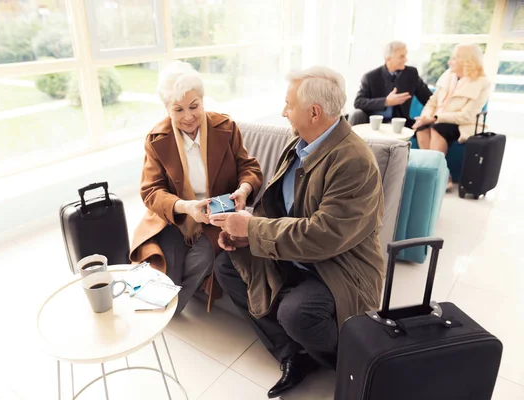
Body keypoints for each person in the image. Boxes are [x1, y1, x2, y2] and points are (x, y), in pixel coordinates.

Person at [210, 66, 385, 398]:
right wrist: (244, 233)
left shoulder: (354, 162)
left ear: (314, 112)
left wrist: (253, 228)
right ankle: (291, 353)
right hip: (296, 253)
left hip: (338, 267)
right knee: (225, 266)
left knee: (297, 312)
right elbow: (278, 207)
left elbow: (323, 237)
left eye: (289, 105)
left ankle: (347, 362)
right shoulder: (300, 142)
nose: (283, 111)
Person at [130, 61, 263, 314]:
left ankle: (166, 313)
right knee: (167, 270)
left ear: (203, 101)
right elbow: (151, 192)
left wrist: (244, 189)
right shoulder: (156, 139)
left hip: (216, 217)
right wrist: (186, 207)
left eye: (194, 106)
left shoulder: (226, 128)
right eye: (178, 110)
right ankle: (158, 308)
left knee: (199, 260)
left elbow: (250, 168)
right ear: (166, 109)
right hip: (174, 217)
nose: (188, 116)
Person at [413, 44, 491, 190]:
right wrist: (426, 117)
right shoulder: (448, 75)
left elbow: (466, 116)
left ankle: (436, 175)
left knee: (438, 128)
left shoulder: (482, 82)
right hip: (437, 119)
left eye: (454, 58)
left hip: (462, 124)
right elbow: (432, 102)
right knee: (421, 127)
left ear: (466, 61)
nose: (449, 62)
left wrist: (435, 118)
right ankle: (437, 173)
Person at [349, 41, 432, 128]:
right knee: (356, 114)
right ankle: (350, 141)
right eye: (401, 56)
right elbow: (358, 102)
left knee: (426, 125)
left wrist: (436, 114)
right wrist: (386, 102)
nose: (405, 59)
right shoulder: (370, 77)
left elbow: (428, 98)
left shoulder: (411, 74)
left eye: (405, 55)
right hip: (373, 122)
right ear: (388, 59)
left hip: (399, 122)